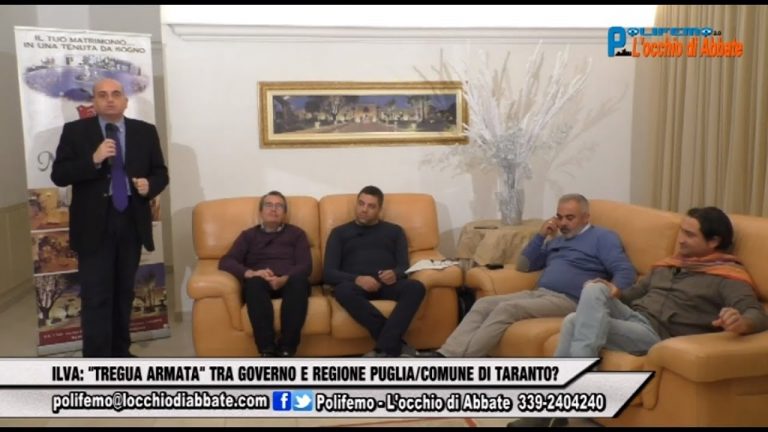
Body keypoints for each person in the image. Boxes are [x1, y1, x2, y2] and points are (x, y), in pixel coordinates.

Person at [509, 207, 768, 428]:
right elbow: (631, 295)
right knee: (594, 289)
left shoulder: (727, 277)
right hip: (634, 318)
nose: (680, 240)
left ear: (713, 241)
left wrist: (740, 322)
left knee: (573, 322)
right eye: (681, 231)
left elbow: (756, 314)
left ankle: (550, 409)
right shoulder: (669, 265)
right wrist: (610, 292)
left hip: (657, 334)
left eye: (690, 235)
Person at [421, 193, 636, 358]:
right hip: (541, 294)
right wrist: (541, 235)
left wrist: (609, 293)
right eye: (559, 217)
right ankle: (445, 355)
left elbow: (624, 271)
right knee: (483, 304)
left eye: (570, 218)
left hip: (572, 300)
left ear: (586, 217)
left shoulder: (602, 237)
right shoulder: (557, 239)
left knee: (507, 309)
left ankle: (461, 363)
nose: (563, 223)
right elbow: (524, 266)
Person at [51, 78, 168, 357]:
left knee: (124, 293)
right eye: (102, 95)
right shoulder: (75, 131)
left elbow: (160, 173)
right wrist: (93, 159)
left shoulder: (145, 131)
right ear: (94, 101)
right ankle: (97, 360)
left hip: (131, 221)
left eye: (116, 94)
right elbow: (59, 175)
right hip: (93, 226)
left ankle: (120, 354)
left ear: (125, 101)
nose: (110, 99)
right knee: (96, 296)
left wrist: (149, 185)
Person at [324, 186, 426, 357]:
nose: (364, 209)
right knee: (342, 291)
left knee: (416, 287)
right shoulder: (339, 233)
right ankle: (394, 346)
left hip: (387, 284)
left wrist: (395, 273)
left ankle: (384, 348)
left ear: (379, 209)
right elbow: (328, 273)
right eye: (361, 204)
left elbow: (404, 266)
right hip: (355, 287)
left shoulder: (395, 231)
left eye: (371, 206)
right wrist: (357, 279)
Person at [219, 191, 311, 357]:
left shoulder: (297, 234)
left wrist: (284, 278)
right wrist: (251, 273)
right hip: (260, 282)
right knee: (254, 283)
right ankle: (267, 351)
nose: (273, 209)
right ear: (261, 211)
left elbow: (306, 265)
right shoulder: (248, 236)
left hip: (289, 281)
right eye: (269, 205)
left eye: (279, 206)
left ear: (284, 213)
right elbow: (226, 261)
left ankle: (287, 350)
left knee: (299, 281)